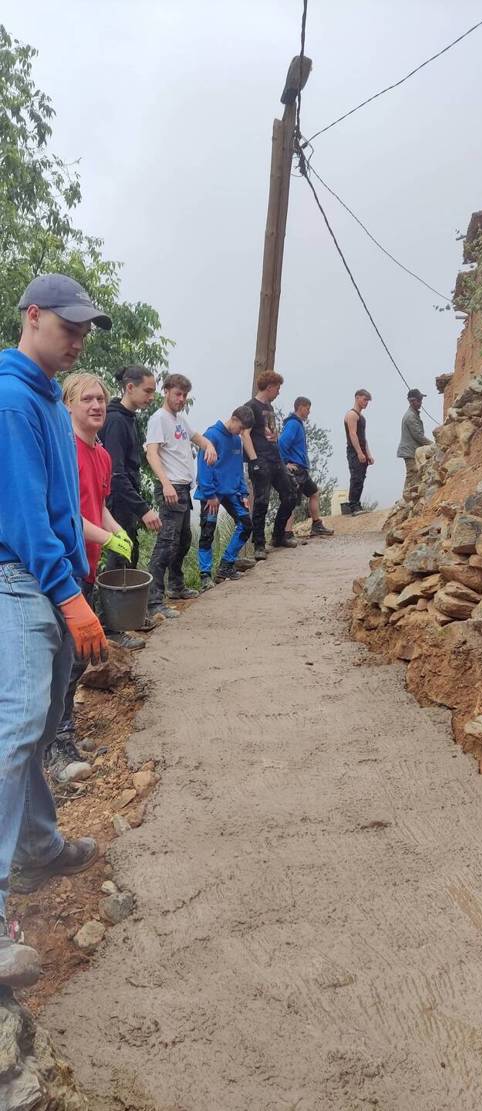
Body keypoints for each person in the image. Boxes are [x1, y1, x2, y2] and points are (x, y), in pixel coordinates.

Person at [0, 273, 109, 989]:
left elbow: (61, 507)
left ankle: (37, 845)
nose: (76, 340)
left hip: (51, 581)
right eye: (66, 326)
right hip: (24, 581)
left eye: (82, 330)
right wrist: (70, 594)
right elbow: (25, 518)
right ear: (31, 315)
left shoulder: (42, 395)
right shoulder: (12, 396)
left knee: (37, 730)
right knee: (13, 732)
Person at [46, 373, 133, 787]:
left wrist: (118, 532)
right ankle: (54, 746)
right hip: (59, 572)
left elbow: (98, 511)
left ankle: (66, 735)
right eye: (87, 399)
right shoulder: (65, 449)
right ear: (68, 405)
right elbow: (68, 518)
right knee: (61, 661)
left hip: (87, 569)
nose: (97, 405)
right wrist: (107, 536)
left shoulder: (100, 454)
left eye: (101, 399)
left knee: (77, 659)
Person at [100, 365, 172, 633]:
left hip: (125, 499)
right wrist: (143, 509)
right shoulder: (116, 420)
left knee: (129, 553)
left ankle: (127, 618)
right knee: (119, 557)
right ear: (129, 388)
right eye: (148, 390)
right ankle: (112, 628)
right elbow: (115, 475)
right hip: (115, 501)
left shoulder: (129, 418)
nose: (152, 396)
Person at [145, 373, 217, 615]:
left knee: (183, 539)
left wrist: (210, 446)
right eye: (177, 394)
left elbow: (199, 438)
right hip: (171, 488)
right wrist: (165, 484)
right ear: (166, 391)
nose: (181, 399)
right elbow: (152, 454)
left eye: (185, 395)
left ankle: (176, 586)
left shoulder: (180, 420)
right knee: (165, 543)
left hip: (184, 489)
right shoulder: (159, 419)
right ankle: (153, 601)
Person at [195, 405, 255, 590]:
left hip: (232, 492)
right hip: (212, 493)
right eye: (241, 427)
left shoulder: (237, 440)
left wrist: (244, 493)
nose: (242, 431)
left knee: (246, 524)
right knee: (208, 532)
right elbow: (204, 468)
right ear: (234, 419)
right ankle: (205, 575)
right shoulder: (211, 436)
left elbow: (238, 469)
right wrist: (210, 495)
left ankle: (227, 564)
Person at [242, 370, 297, 560]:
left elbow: (272, 433)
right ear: (270, 387)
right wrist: (254, 460)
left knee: (291, 494)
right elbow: (245, 434)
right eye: (278, 388)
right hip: (260, 459)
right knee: (262, 502)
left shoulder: (270, 408)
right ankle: (259, 544)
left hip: (275, 458)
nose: (279, 392)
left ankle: (278, 535)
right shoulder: (250, 407)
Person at [279, 396, 334, 539]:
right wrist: (285, 463)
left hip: (301, 469)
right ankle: (286, 533)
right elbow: (282, 443)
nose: (309, 412)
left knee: (314, 493)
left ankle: (316, 525)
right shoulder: (293, 424)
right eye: (307, 409)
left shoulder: (297, 424)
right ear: (300, 407)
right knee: (291, 501)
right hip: (295, 469)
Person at [397, 389, 431, 500]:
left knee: (414, 475)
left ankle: (408, 498)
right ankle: (406, 499)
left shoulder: (413, 414)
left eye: (421, 399)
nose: (421, 402)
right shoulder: (411, 416)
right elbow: (418, 436)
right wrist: (433, 445)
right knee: (412, 474)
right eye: (419, 400)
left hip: (412, 450)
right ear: (412, 401)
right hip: (410, 451)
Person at [344, 389, 374, 515]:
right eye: (364, 399)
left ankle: (357, 503)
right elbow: (352, 434)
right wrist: (359, 452)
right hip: (354, 450)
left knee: (361, 477)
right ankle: (353, 505)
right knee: (356, 477)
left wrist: (368, 454)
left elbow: (363, 437)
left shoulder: (362, 417)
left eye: (367, 400)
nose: (366, 402)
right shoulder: (351, 415)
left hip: (361, 450)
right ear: (357, 398)